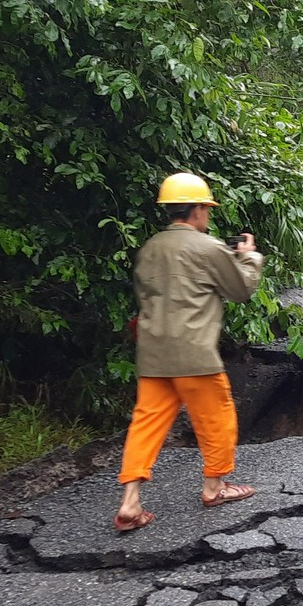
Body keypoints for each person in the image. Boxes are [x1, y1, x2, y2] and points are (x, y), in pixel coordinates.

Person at [111, 172, 266, 532]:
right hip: (194, 354)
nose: (208, 216)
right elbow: (241, 289)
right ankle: (215, 487)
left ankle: (130, 502)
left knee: (146, 424)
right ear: (197, 209)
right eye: (206, 209)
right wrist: (249, 256)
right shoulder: (207, 246)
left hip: (153, 354)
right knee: (216, 417)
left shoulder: (149, 249)